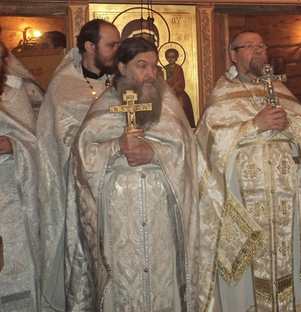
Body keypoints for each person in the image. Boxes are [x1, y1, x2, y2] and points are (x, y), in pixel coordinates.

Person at [195, 30, 301, 312]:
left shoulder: (281, 91)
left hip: (287, 206)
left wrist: (291, 126)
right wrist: (253, 126)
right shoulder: (223, 95)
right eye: (249, 46)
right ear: (233, 55)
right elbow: (208, 143)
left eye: (262, 45)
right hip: (243, 206)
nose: (258, 50)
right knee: (246, 279)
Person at [65, 37, 200, 310]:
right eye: (142, 66)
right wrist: (117, 145)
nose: (151, 74)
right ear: (122, 67)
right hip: (118, 219)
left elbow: (188, 153)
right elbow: (82, 159)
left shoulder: (167, 103)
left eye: (154, 66)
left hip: (161, 216)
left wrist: (155, 153)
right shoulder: (104, 106)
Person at [36, 18, 120, 311]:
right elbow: (60, 140)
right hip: (80, 189)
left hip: (117, 187)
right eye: (111, 44)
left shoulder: (120, 81)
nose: (117, 50)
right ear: (89, 46)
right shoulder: (65, 86)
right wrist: (102, 143)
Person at [0, 40, 40, 310]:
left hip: (12, 195)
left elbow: (38, 144)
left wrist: (15, 145)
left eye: (1, 57)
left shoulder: (17, 93)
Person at [164, 47, 195, 127]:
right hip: (167, 91)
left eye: (173, 57)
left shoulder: (178, 68)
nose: (171, 59)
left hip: (178, 91)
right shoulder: (164, 69)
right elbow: (163, 80)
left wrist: (174, 88)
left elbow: (181, 81)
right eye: (169, 57)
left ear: (176, 58)